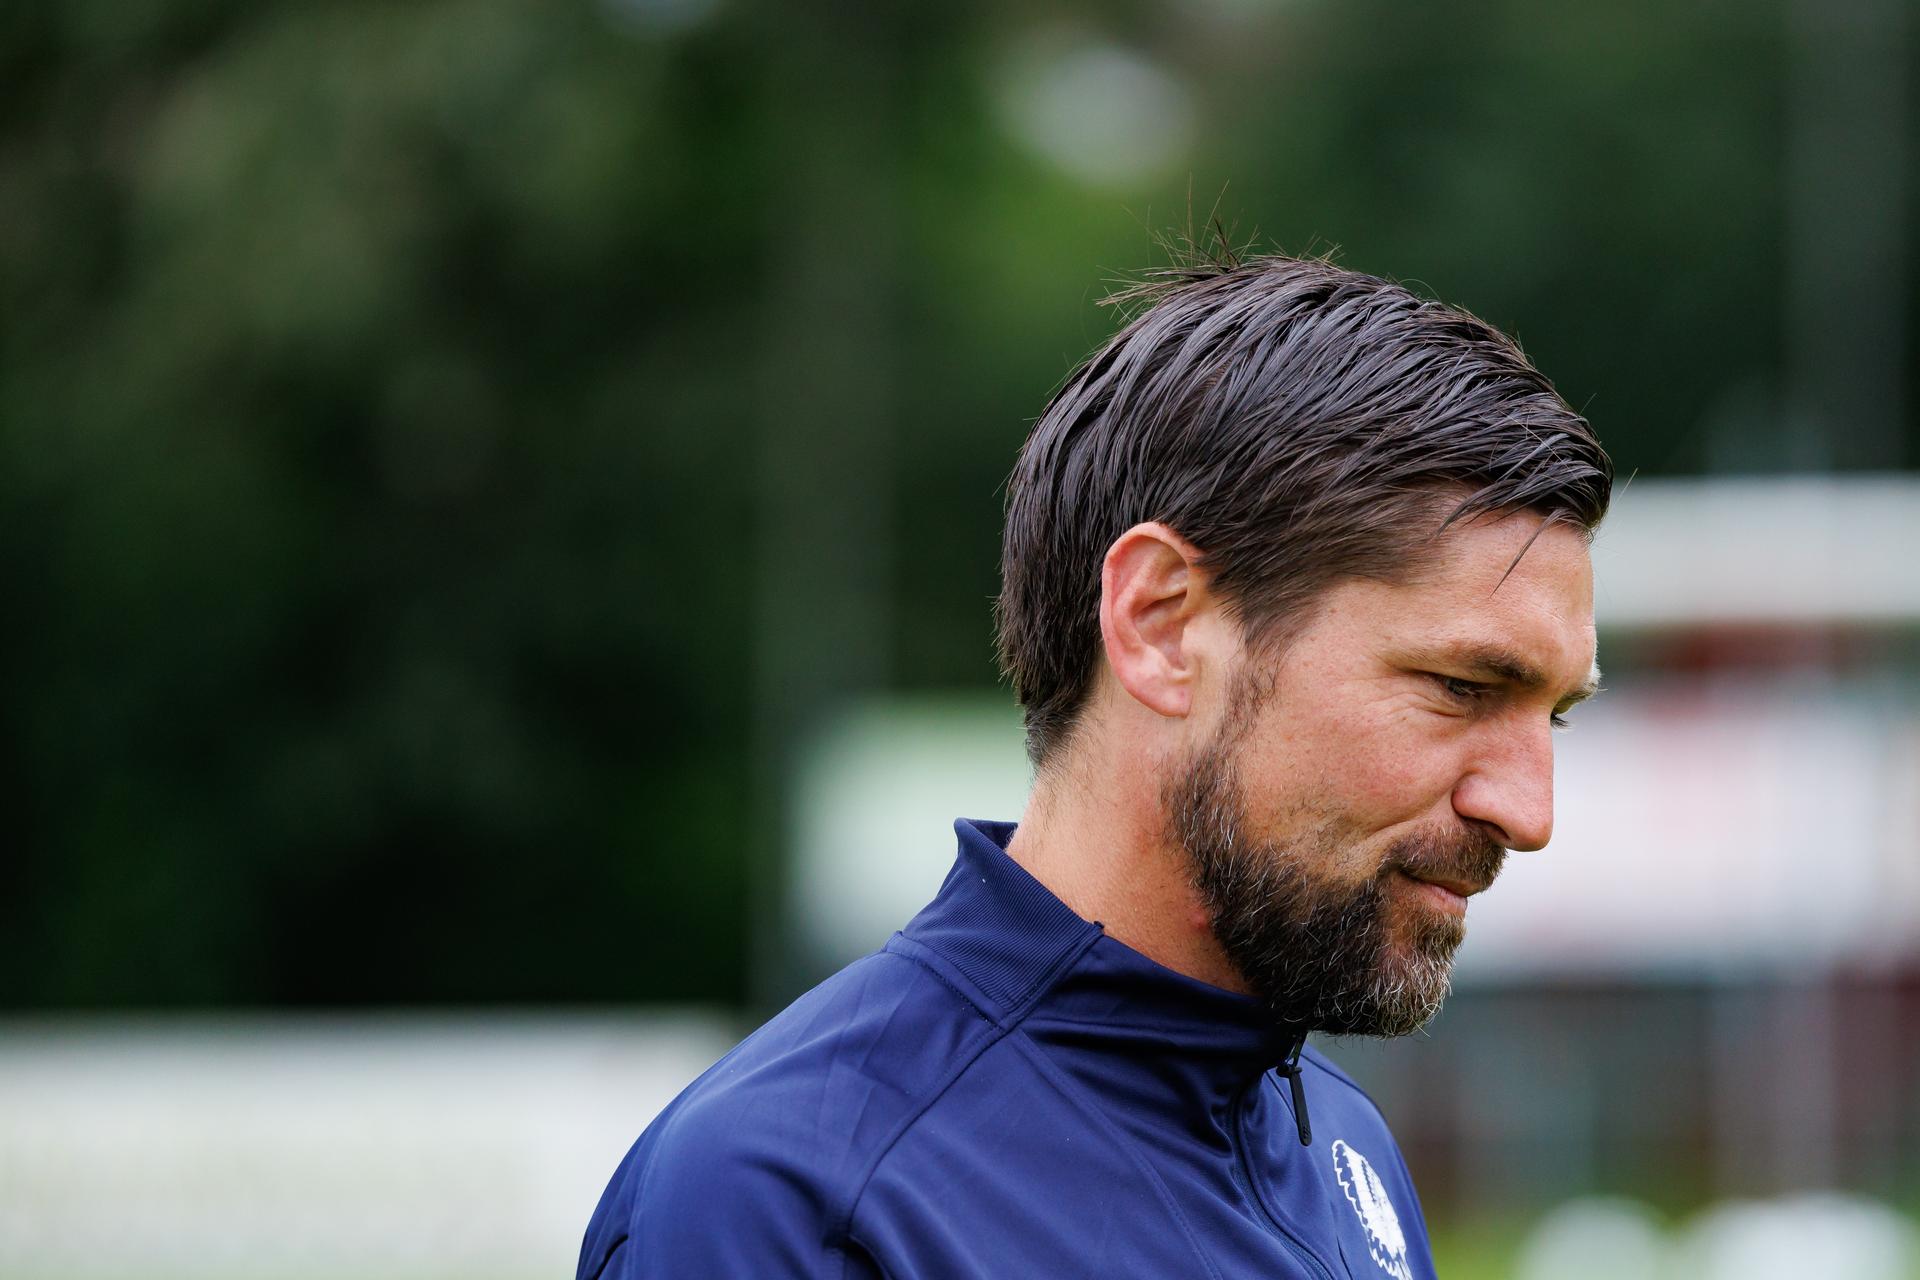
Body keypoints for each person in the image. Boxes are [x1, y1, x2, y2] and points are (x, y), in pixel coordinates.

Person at [578, 251, 1611, 1279]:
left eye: (1554, 716)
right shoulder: (787, 1200)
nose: (1529, 810)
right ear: (1161, 625)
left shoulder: (1348, 1154)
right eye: (1461, 687)